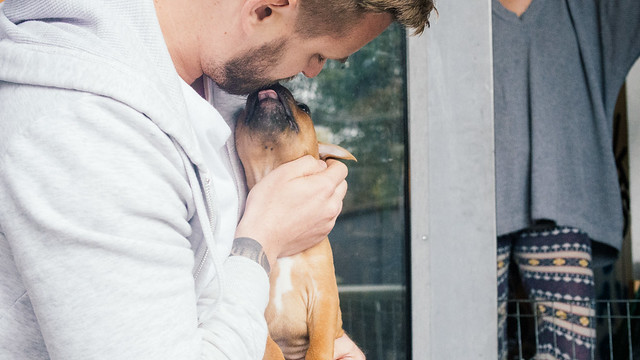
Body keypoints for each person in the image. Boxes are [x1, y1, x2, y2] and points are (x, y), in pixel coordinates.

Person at [0, 0, 434, 359]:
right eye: (318, 53)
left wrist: (332, 344)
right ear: (266, 9)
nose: (313, 73)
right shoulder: (84, 131)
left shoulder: (224, 89)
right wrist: (262, 240)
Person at [492, 0, 640, 359]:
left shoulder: (590, 11)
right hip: (469, 209)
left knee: (570, 352)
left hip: (562, 203)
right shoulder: (449, 13)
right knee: (464, 344)